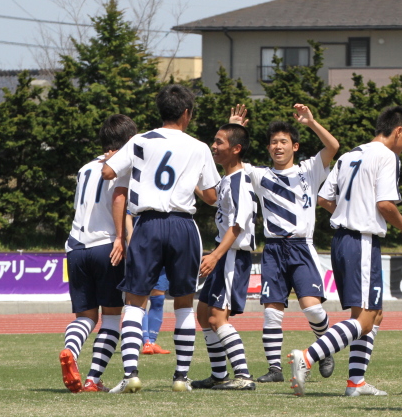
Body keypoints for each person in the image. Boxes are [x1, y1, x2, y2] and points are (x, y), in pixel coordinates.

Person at [289, 106, 402, 397]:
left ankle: (356, 382)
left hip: (343, 239)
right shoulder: (387, 157)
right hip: (361, 240)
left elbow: (324, 198)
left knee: (374, 315)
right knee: (363, 320)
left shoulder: (349, 155)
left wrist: (348, 212)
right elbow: (385, 205)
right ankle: (308, 357)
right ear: (399, 131)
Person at [102, 84, 220, 393]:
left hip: (148, 223)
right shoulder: (199, 147)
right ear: (186, 114)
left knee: (135, 301)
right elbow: (211, 197)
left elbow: (107, 172)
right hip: (183, 225)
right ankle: (181, 378)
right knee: (183, 303)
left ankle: (130, 375)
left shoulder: (140, 140)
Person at [230, 103, 340, 384]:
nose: (277, 146)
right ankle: (275, 369)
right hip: (273, 250)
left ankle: (325, 348)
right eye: (273, 142)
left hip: (302, 248)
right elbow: (231, 161)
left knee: (312, 308)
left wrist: (312, 122)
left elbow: (333, 145)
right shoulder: (259, 175)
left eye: (283, 141)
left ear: (295, 145)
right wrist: (236, 129)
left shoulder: (309, 169)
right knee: (271, 312)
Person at [60, 114, 138, 393]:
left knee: (86, 317)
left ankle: (70, 349)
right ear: (130, 141)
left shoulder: (84, 168)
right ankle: (93, 378)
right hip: (107, 245)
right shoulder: (125, 168)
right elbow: (122, 204)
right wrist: (125, 240)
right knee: (113, 316)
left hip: (75, 247)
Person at [192, 123, 259, 391]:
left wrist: (216, 256)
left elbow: (238, 225)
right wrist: (191, 180)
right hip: (224, 253)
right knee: (203, 312)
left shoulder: (241, 180)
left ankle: (243, 376)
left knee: (218, 318)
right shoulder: (227, 180)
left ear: (236, 149)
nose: (214, 147)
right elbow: (211, 199)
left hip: (232, 255)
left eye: (220, 143)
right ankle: (220, 375)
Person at [125, 211, 171, 356]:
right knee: (141, 296)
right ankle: (144, 341)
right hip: (143, 246)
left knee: (159, 298)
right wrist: (132, 243)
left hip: (165, 246)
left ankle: (151, 341)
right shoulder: (140, 189)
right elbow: (127, 215)